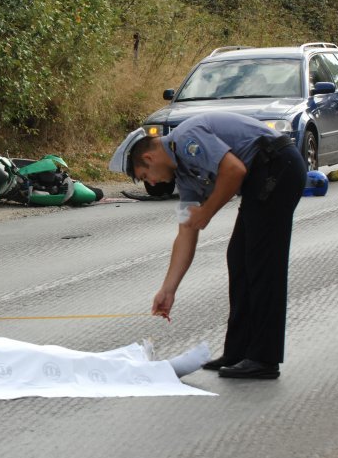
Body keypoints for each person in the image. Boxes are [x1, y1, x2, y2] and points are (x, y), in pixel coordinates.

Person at [109, 112, 306, 379]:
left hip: (277, 166)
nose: (152, 183)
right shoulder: (185, 178)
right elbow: (186, 232)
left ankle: (263, 358)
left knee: (262, 262)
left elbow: (234, 170)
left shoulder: (187, 138)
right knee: (238, 259)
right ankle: (238, 351)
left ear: (149, 157)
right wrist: (168, 290)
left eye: (146, 175)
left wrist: (208, 211)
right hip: (261, 177)